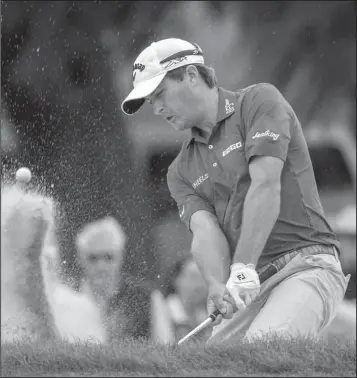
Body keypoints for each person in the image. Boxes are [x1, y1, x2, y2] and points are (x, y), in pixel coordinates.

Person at [120, 38, 350, 343]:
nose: (158, 108)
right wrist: (217, 284)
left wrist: (242, 267)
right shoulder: (180, 170)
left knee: (261, 351)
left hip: (307, 265)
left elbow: (265, 185)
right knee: (216, 366)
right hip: (250, 286)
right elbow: (205, 232)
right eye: (152, 102)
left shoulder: (258, 102)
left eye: (160, 93)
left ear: (191, 75)